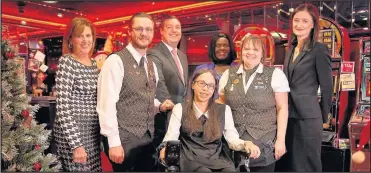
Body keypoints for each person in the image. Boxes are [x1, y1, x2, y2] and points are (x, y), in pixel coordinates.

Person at [97, 12, 172, 172]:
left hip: (148, 138)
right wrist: (114, 142)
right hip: (124, 140)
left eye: (148, 29)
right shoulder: (115, 61)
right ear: (129, 32)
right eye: (139, 29)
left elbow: (143, 98)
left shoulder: (151, 63)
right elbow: (106, 105)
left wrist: (159, 106)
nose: (144, 33)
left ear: (153, 33)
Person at [159, 68, 261, 172]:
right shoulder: (180, 108)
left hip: (217, 158)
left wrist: (246, 144)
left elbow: (232, 140)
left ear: (214, 90)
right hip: (190, 158)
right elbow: (171, 137)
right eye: (202, 83)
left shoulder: (224, 110)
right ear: (193, 85)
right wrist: (165, 148)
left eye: (210, 86)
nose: (205, 89)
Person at [219, 34, 290, 172]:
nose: (250, 52)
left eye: (255, 49)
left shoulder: (275, 75)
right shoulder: (228, 74)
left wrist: (281, 140)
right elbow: (221, 104)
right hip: (234, 143)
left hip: (264, 142)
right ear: (241, 52)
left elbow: (282, 108)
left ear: (262, 53)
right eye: (246, 49)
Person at [280, 3, 333, 172]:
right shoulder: (291, 49)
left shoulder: (319, 49)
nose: (299, 25)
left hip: (308, 118)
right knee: (293, 165)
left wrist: (322, 116)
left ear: (313, 25)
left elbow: (327, 87)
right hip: (288, 116)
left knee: (307, 165)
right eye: (296, 20)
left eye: (304, 21)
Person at [54, 17, 101, 172]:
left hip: (92, 134)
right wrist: (76, 144)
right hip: (73, 135)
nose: (85, 40)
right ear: (71, 40)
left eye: (88, 36)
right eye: (80, 36)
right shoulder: (67, 62)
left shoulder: (95, 64)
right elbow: (63, 108)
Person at [147, 15, 188, 147]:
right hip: (164, 116)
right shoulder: (154, 53)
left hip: (182, 116)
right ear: (162, 32)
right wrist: (167, 102)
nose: (174, 30)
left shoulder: (182, 56)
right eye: (169, 27)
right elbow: (158, 82)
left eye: (177, 27)